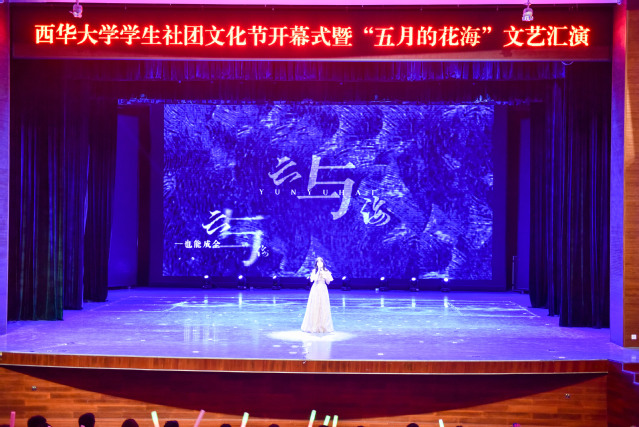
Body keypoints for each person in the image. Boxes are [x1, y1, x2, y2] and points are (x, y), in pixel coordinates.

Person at [301, 256, 334, 333]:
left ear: (323, 263)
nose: (319, 263)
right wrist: (318, 271)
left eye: (321, 262)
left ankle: (323, 326)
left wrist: (325, 276)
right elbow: (314, 280)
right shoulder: (314, 271)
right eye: (318, 262)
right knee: (315, 306)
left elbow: (328, 282)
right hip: (315, 289)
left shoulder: (326, 271)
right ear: (316, 263)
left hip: (323, 289)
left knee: (323, 306)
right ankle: (314, 326)